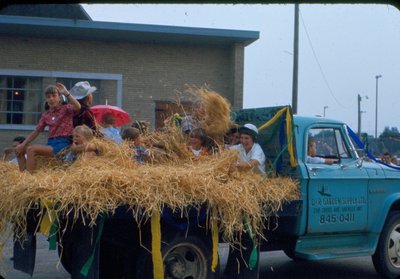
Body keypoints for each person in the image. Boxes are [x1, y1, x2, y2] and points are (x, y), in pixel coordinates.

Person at [15, 83, 81, 173]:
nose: (51, 99)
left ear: (59, 97)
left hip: (63, 144)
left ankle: (28, 178)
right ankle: (22, 176)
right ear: (46, 99)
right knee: (19, 149)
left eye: (54, 96)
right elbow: (36, 131)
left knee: (31, 149)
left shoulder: (66, 109)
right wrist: (22, 145)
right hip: (50, 143)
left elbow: (78, 107)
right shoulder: (46, 115)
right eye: (48, 96)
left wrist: (66, 93)